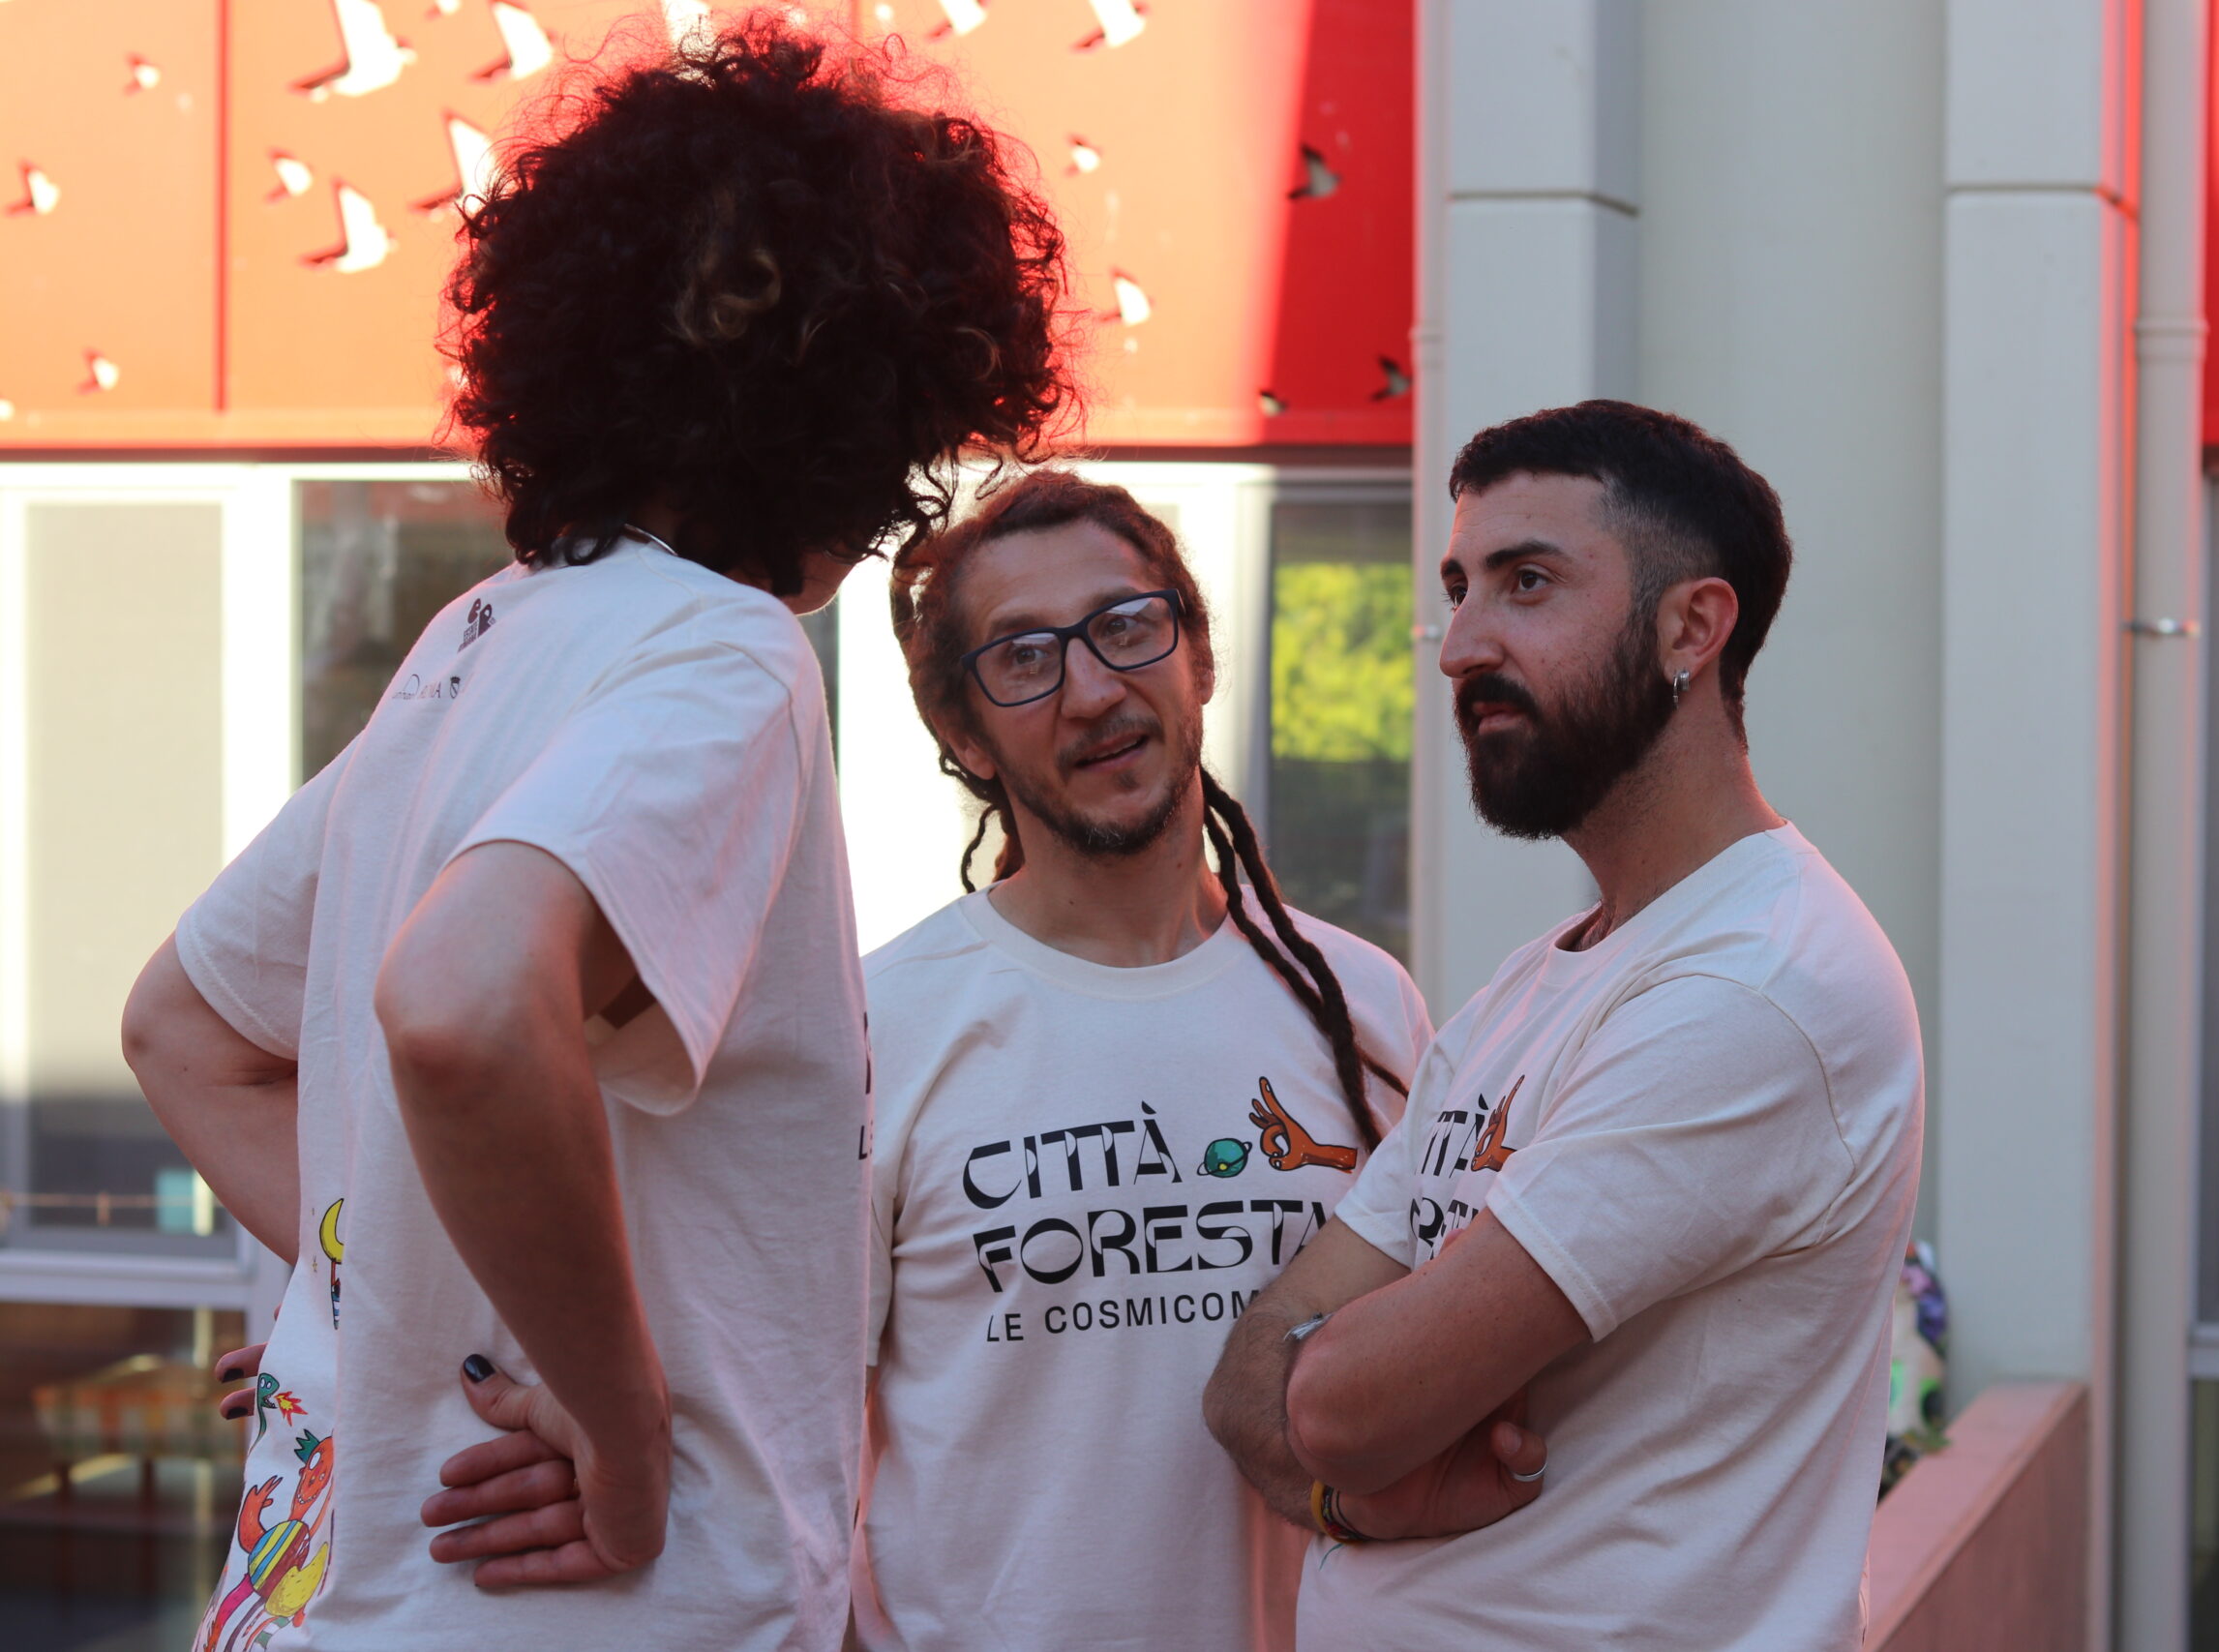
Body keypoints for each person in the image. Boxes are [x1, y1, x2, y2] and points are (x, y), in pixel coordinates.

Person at [120, 18, 1070, 1649]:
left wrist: (409, 1317)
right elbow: (465, 1005)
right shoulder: (725, 652)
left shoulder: (471, 648)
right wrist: (622, 1433)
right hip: (590, 1601)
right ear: (860, 409)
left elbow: (184, 1029)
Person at [1204, 401, 1925, 1650]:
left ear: (1691, 627)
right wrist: (1347, 1492)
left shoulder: (1754, 987)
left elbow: (1334, 1406)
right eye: (1459, 588)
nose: (1459, 646)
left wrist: (1346, 1409)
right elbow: (1247, 1383)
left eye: (1526, 583)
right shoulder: (1534, 987)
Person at [850, 470, 1483, 1652]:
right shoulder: (884, 1024)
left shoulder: (1363, 1008)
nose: (1092, 689)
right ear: (963, 736)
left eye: (1127, 626)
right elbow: (790, 1432)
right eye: (1024, 658)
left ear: (1197, 658)